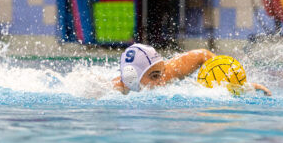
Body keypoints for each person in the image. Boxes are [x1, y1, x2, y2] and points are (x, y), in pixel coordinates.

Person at [112, 43, 272, 96]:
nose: (162, 79)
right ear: (133, 78)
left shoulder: (166, 74)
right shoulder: (112, 90)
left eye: (161, 73)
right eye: (154, 76)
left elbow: (202, 55)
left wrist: (237, 85)